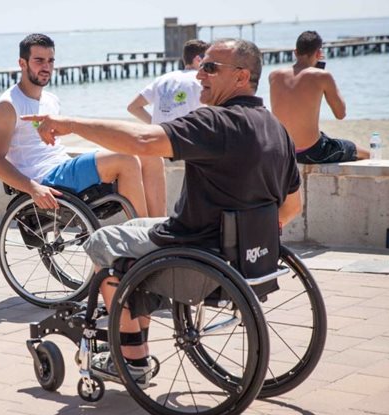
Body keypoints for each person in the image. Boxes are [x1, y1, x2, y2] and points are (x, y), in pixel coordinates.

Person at [23, 39, 302, 387]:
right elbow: (292, 206)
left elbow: (142, 140)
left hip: (193, 244)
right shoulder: (275, 128)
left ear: (242, 77)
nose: (200, 73)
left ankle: (132, 357)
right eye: (203, 66)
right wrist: (247, 235)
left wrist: (70, 124)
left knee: (102, 242)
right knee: (138, 226)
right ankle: (135, 318)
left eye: (211, 68)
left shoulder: (216, 123)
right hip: (244, 253)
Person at [0, 33, 152, 217]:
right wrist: (33, 188)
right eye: (39, 61)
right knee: (125, 158)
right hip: (45, 178)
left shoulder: (51, 100)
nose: (46, 67)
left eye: (50, 61)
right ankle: (142, 238)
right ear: (22, 63)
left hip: (63, 167)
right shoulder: (8, 105)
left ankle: (158, 233)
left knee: (149, 157)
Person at [126, 39, 209, 216]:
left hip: (159, 145)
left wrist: (156, 126)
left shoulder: (164, 78)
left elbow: (133, 107)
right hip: (186, 148)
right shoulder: (201, 82)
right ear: (198, 59)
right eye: (208, 59)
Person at [269, 30, 369, 164]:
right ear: (319, 54)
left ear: (295, 52)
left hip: (283, 151)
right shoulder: (322, 76)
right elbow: (341, 114)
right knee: (367, 154)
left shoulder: (274, 76)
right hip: (311, 152)